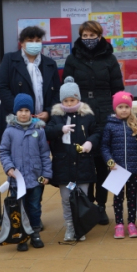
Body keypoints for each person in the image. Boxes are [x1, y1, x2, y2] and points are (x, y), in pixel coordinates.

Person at [63, 20, 124, 225]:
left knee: (104, 162)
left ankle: (101, 206)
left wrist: (117, 112)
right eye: (85, 36)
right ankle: (86, 203)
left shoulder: (110, 58)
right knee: (84, 158)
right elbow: (67, 89)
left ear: (100, 36)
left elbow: (117, 88)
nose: (89, 39)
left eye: (92, 35)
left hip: (105, 111)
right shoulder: (73, 58)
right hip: (82, 113)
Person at [45, 77, 100, 242]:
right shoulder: (56, 117)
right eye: (66, 100)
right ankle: (70, 226)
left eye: (72, 100)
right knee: (67, 199)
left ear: (78, 99)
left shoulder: (87, 116)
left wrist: (90, 142)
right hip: (63, 165)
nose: (69, 104)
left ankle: (80, 226)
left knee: (82, 198)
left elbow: (97, 132)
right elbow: (47, 132)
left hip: (83, 164)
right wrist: (60, 129)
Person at [0, 93, 52, 251]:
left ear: (31, 112)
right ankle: (22, 235)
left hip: (35, 177)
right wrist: (9, 168)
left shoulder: (39, 130)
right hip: (17, 179)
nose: (23, 113)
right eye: (20, 110)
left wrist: (47, 174)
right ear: (15, 112)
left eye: (27, 110)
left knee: (35, 206)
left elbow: (44, 154)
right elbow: (4, 152)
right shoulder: (9, 131)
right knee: (19, 207)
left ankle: (35, 233)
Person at [0, 26, 61, 150]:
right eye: (30, 41)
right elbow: (2, 88)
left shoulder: (50, 63)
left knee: (41, 158)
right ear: (22, 43)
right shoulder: (10, 60)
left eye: (38, 40)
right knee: (18, 160)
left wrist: (49, 112)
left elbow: (57, 91)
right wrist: (21, 112)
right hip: (16, 122)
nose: (34, 44)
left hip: (43, 123)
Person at [101, 91, 137, 238]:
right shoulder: (110, 126)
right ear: (115, 108)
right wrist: (109, 161)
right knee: (118, 198)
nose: (124, 110)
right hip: (117, 170)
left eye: (126, 107)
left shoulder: (135, 125)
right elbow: (104, 146)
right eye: (120, 107)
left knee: (132, 198)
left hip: (134, 170)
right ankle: (119, 224)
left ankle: (132, 223)